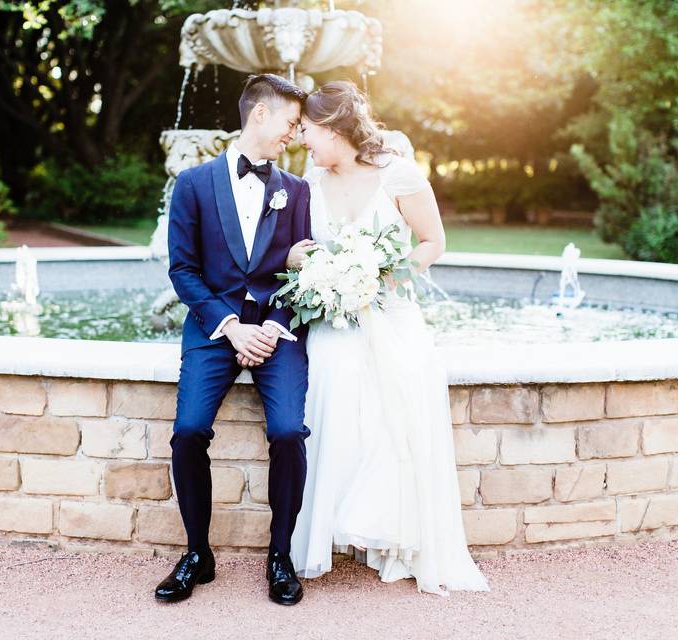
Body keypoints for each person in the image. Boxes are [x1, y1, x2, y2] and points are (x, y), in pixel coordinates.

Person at [283, 80, 491, 596]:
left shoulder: (398, 172)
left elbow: (433, 241)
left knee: (398, 386)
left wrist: (388, 275)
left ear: (332, 129)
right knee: (332, 372)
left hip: (391, 312)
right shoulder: (312, 179)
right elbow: (304, 249)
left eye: (307, 130)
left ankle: (390, 531)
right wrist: (305, 265)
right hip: (336, 317)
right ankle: (338, 522)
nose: (302, 140)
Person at [155, 73, 312, 606]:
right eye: (291, 122)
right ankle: (197, 553)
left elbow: (303, 274)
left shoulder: (297, 191)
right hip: (213, 329)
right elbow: (183, 271)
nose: (295, 132)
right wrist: (230, 326)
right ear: (260, 115)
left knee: (289, 430)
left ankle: (281, 554)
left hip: (276, 332)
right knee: (189, 430)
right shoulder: (193, 184)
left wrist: (270, 325)